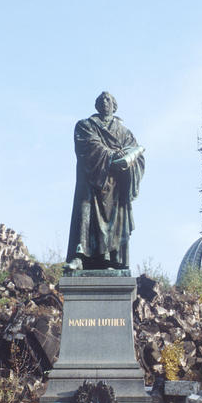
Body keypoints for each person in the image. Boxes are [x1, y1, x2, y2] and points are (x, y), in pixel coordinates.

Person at [65, 92, 144, 271]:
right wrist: (113, 155)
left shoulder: (125, 132)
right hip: (93, 181)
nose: (105, 101)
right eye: (101, 99)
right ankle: (80, 257)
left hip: (115, 185)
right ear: (96, 105)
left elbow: (137, 157)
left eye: (108, 99)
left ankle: (112, 260)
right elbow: (89, 145)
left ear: (114, 106)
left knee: (116, 221)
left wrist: (130, 160)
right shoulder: (85, 125)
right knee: (85, 213)